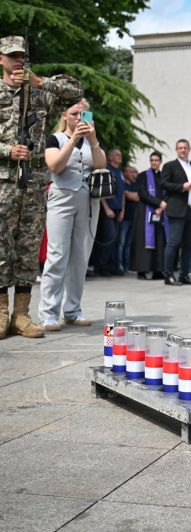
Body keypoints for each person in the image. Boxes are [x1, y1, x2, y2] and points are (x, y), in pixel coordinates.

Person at [0, 35, 83, 340]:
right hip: (3, 181)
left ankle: (22, 315)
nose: (17, 61)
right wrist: (7, 151)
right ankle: (1, 313)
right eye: (11, 56)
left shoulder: (39, 92)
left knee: (28, 247)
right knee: (0, 246)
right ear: (1, 59)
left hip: (34, 182)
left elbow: (76, 91)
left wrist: (40, 81)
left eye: (22, 56)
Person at [37, 99, 106, 330]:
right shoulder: (55, 139)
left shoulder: (91, 140)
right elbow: (55, 165)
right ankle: (48, 313)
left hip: (87, 200)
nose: (79, 118)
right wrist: (74, 138)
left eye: (84, 114)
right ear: (65, 115)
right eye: (75, 113)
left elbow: (100, 165)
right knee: (57, 255)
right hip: (61, 197)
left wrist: (93, 139)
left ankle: (73, 310)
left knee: (80, 257)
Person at [160, 139, 191, 286]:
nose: (183, 150)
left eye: (185, 148)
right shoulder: (170, 166)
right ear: (177, 150)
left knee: (189, 245)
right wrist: (182, 187)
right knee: (173, 243)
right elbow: (164, 184)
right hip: (177, 209)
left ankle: (184, 275)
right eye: (180, 148)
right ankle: (168, 275)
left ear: (189, 149)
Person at [131, 151, 167, 280]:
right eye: (152, 160)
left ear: (160, 162)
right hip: (145, 212)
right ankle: (142, 270)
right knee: (143, 242)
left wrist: (161, 207)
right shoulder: (143, 176)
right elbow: (143, 193)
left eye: (156, 160)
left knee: (159, 241)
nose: (154, 162)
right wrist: (159, 203)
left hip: (160, 213)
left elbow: (167, 193)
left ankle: (158, 270)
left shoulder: (164, 176)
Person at [93, 147, 125, 276]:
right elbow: (102, 192)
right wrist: (106, 208)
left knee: (116, 239)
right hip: (108, 209)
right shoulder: (107, 171)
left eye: (120, 154)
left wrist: (122, 210)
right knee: (108, 237)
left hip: (118, 210)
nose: (119, 156)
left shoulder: (120, 172)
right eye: (116, 154)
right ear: (110, 157)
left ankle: (112, 265)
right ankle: (101, 266)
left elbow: (123, 193)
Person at [118, 164, 139, 273]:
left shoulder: (135, 184)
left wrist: (132, 195)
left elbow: (138, 196)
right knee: (121, 242)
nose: (133, 174)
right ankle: (119, 265)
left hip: (133, 218)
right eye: (130, 172)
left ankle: (126, 266)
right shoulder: (123, 184)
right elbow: (129, 196)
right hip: (125, 218)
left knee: (128, 243)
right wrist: (131, 195)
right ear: (125, 173)